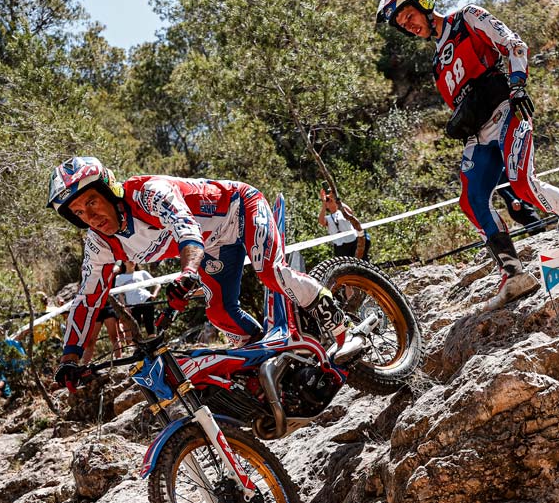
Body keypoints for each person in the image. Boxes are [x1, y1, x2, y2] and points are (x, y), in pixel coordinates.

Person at [376, 0, 559, 310]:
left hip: (508, 111)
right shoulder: (437, 63)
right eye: (403, 25)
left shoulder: (466, 17)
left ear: (422, 3)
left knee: (523, 184)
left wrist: (518, 84)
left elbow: (513, 43)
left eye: (409, 16)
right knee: (470, 200)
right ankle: (514, 273)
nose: (410, 26)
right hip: (478, 134)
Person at [46, 157, 365, 391]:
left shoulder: (148, 193)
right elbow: (87, 301)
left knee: (270, 272)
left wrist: (186, 273)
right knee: (219, 311)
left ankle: (345, 333)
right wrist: (70, 358)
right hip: (216, 246)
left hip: (241, 208)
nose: (91, 216)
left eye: (92, 202)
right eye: (79, 213)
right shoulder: (99, 244)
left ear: (109, 191)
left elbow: (187, 232)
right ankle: (265, 361)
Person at [318, 184, 369, 260]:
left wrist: (336, 200)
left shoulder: (342, 212)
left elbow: (350, 212)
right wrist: (324, 203)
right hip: (340, 247)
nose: (330, 201)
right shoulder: (328, 218)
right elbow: (321, 221)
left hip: (353, 242)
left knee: (361, 261)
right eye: (328, 201)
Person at [114, 262, 161, 336]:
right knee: (135, 329)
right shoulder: (119, 277)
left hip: (146, 300)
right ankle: (139, 346)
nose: (132, 262)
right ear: (124, 262)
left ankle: (153, 344)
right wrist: (125, 306)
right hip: (132, 305)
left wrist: (154, 295)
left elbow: (157, 284)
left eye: (134, 260)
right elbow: (120, 294)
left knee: (150, 326)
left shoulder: (142, 273)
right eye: (130, 261)